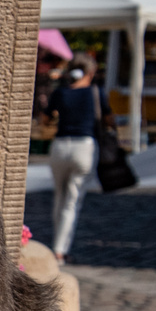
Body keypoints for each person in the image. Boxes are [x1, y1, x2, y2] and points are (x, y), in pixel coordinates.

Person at [46, 53, 109, 264]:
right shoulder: (96, 93)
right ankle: (60, 250)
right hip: (84, 147)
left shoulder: (60, 93)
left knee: (59, 198)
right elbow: (109, 120)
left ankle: (56, 246)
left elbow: (46, 118)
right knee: (72, 202)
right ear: (90, 73)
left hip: (60, 146)